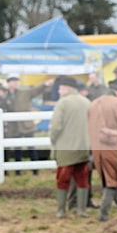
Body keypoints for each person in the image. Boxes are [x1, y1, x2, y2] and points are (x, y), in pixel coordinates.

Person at [49, 77, 91, 218]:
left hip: (66, 148)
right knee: (82, 179)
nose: (59, 91)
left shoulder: (63, 103)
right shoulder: (86, 102)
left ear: (66, 88)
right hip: (83, 147)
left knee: (63, 179)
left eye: (60, 88)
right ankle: (81, 210)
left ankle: (61, 210)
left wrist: (53, 140)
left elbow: (56, 127)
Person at [87, 78, 117, 222]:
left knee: (109, 179)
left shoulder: (93, 104)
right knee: (112, 181)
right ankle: (103, 214)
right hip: (113, 147)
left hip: (97, 148)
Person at [5, 74, 51, 175]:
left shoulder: (24, 92)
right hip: (14, 126)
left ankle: (35, 170)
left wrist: (44, 85)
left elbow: (35, 91)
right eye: (12, 81)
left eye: (16, 81)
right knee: (17, 150)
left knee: (31, 148)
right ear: (8, 83)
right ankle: (18, 171)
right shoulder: (5, 95)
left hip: (26, 125)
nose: (14, 83)